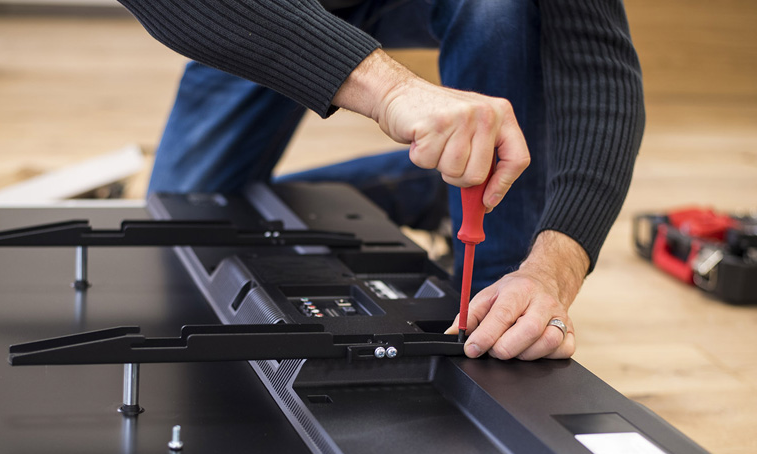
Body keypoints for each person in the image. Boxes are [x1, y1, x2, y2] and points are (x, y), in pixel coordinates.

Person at [117, 0, 645, 361]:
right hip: (268, 11)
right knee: (182, 225)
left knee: (502, 8)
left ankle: (492, 293)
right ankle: (437, 185)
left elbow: (597, 62)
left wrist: (553, 270)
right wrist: (388, 89)